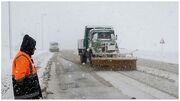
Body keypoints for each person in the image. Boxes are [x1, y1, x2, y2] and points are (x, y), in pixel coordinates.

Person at [12, 34, 42, 99]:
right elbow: (19, 79)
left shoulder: (26, 56)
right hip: (27, 96)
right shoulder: (22, 58)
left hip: (30, 94)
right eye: (34, 46)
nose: (35, 49)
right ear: (29, 47)